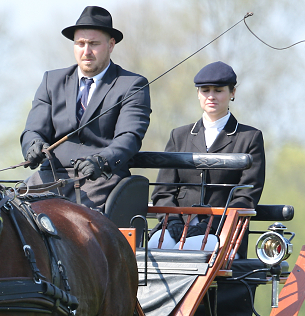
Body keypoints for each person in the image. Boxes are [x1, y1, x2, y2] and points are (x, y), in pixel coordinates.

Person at [20, 6, 151, 210]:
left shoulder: (132, 85)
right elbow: (33, 129)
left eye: (94, 44)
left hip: (101, 181)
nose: (86, 51)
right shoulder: (51, 81)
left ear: (111, 44)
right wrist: (33, 145)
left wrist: (102, 160)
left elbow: (129, 137)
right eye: (80, 43)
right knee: (10, 217)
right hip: (50, 176)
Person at [149, 61, 265, 251]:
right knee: (153, 247)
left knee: (190, 248)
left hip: (223, 231)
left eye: (218, 90)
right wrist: (173, 223)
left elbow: (247, 195)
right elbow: (163, 191)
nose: (211, 96)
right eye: (205, 90)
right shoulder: (179, 136)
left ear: (232, 93)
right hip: (177, 226)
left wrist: (211, 225)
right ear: (198, 94)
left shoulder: (249, 138)